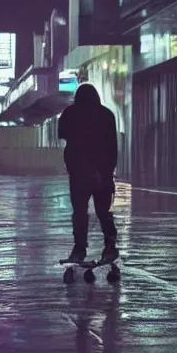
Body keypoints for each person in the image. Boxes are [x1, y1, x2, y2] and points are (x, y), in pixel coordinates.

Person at [57, 83, 119, 263]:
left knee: (79, 212)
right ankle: (109, 246)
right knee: (103, 212)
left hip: (79, 175)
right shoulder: (107, 115)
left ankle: (79, 249)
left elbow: (68, 141)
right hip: (101, 174)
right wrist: (106, 173)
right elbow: (112, 149)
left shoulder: (70, 114)